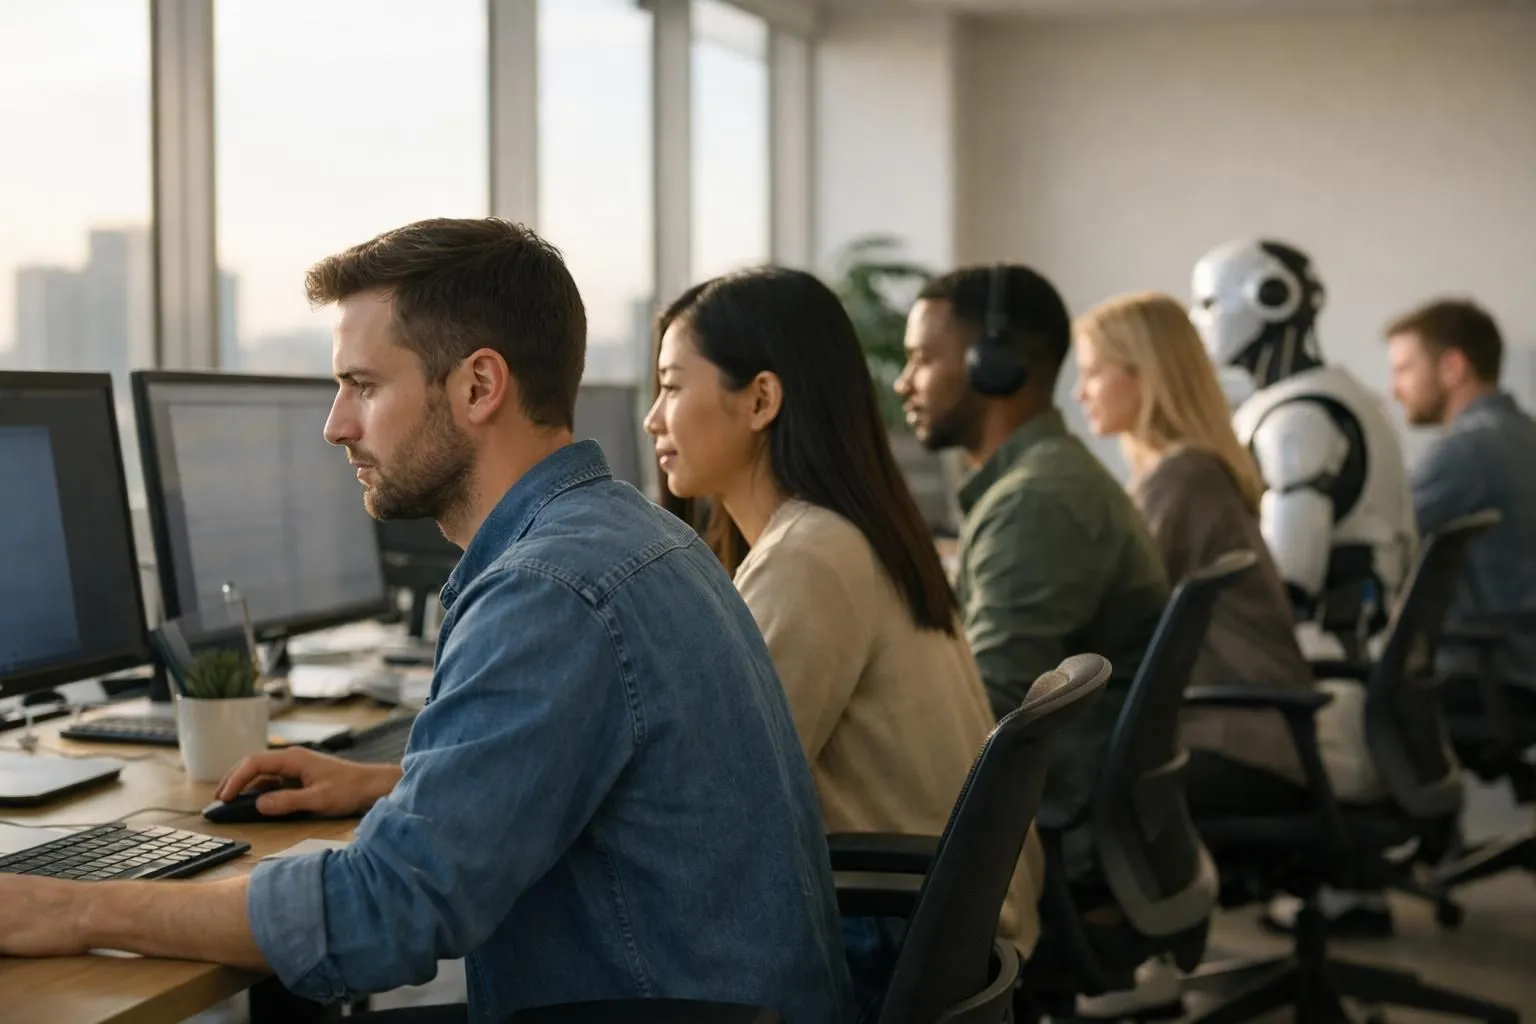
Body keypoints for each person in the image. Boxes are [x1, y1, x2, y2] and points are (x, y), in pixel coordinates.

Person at [0, 218, 855, 1024]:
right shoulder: (631, 534)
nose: (336, 427)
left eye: (362, 387)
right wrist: (392, 780)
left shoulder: (549, 587)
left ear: (479, 385)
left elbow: (391, 912)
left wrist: (74, 907)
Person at [644, 267, 1045, 1017]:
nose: (652, 419)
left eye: (671, 385)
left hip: (880, 940)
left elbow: (708, 798)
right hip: (940, 937)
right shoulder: (846, 531)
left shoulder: (809, 555)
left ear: (762, 399)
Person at [894, 263, 1169, 879]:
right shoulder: (1043, 480)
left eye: (922, 360)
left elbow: (989, 715)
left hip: (1051, 829)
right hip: (1086, 804)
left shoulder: (1038, 500)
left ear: (994, 364)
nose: (902, 383)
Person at [1190, 239, 1419, 665]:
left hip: (1321, 660)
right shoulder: (1330, 397)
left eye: (1208, 304)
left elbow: (1289, 579)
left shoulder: (1296, 420)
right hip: (1361, 649)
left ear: (1270, 297)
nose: (1196, 319)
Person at [1385, 299, 1536, 697]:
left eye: (1404, 369)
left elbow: (1387, 536)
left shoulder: (1467, 450)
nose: (1394, 389)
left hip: (1491, 674)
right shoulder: (1524, 434)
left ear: (1453, 368)